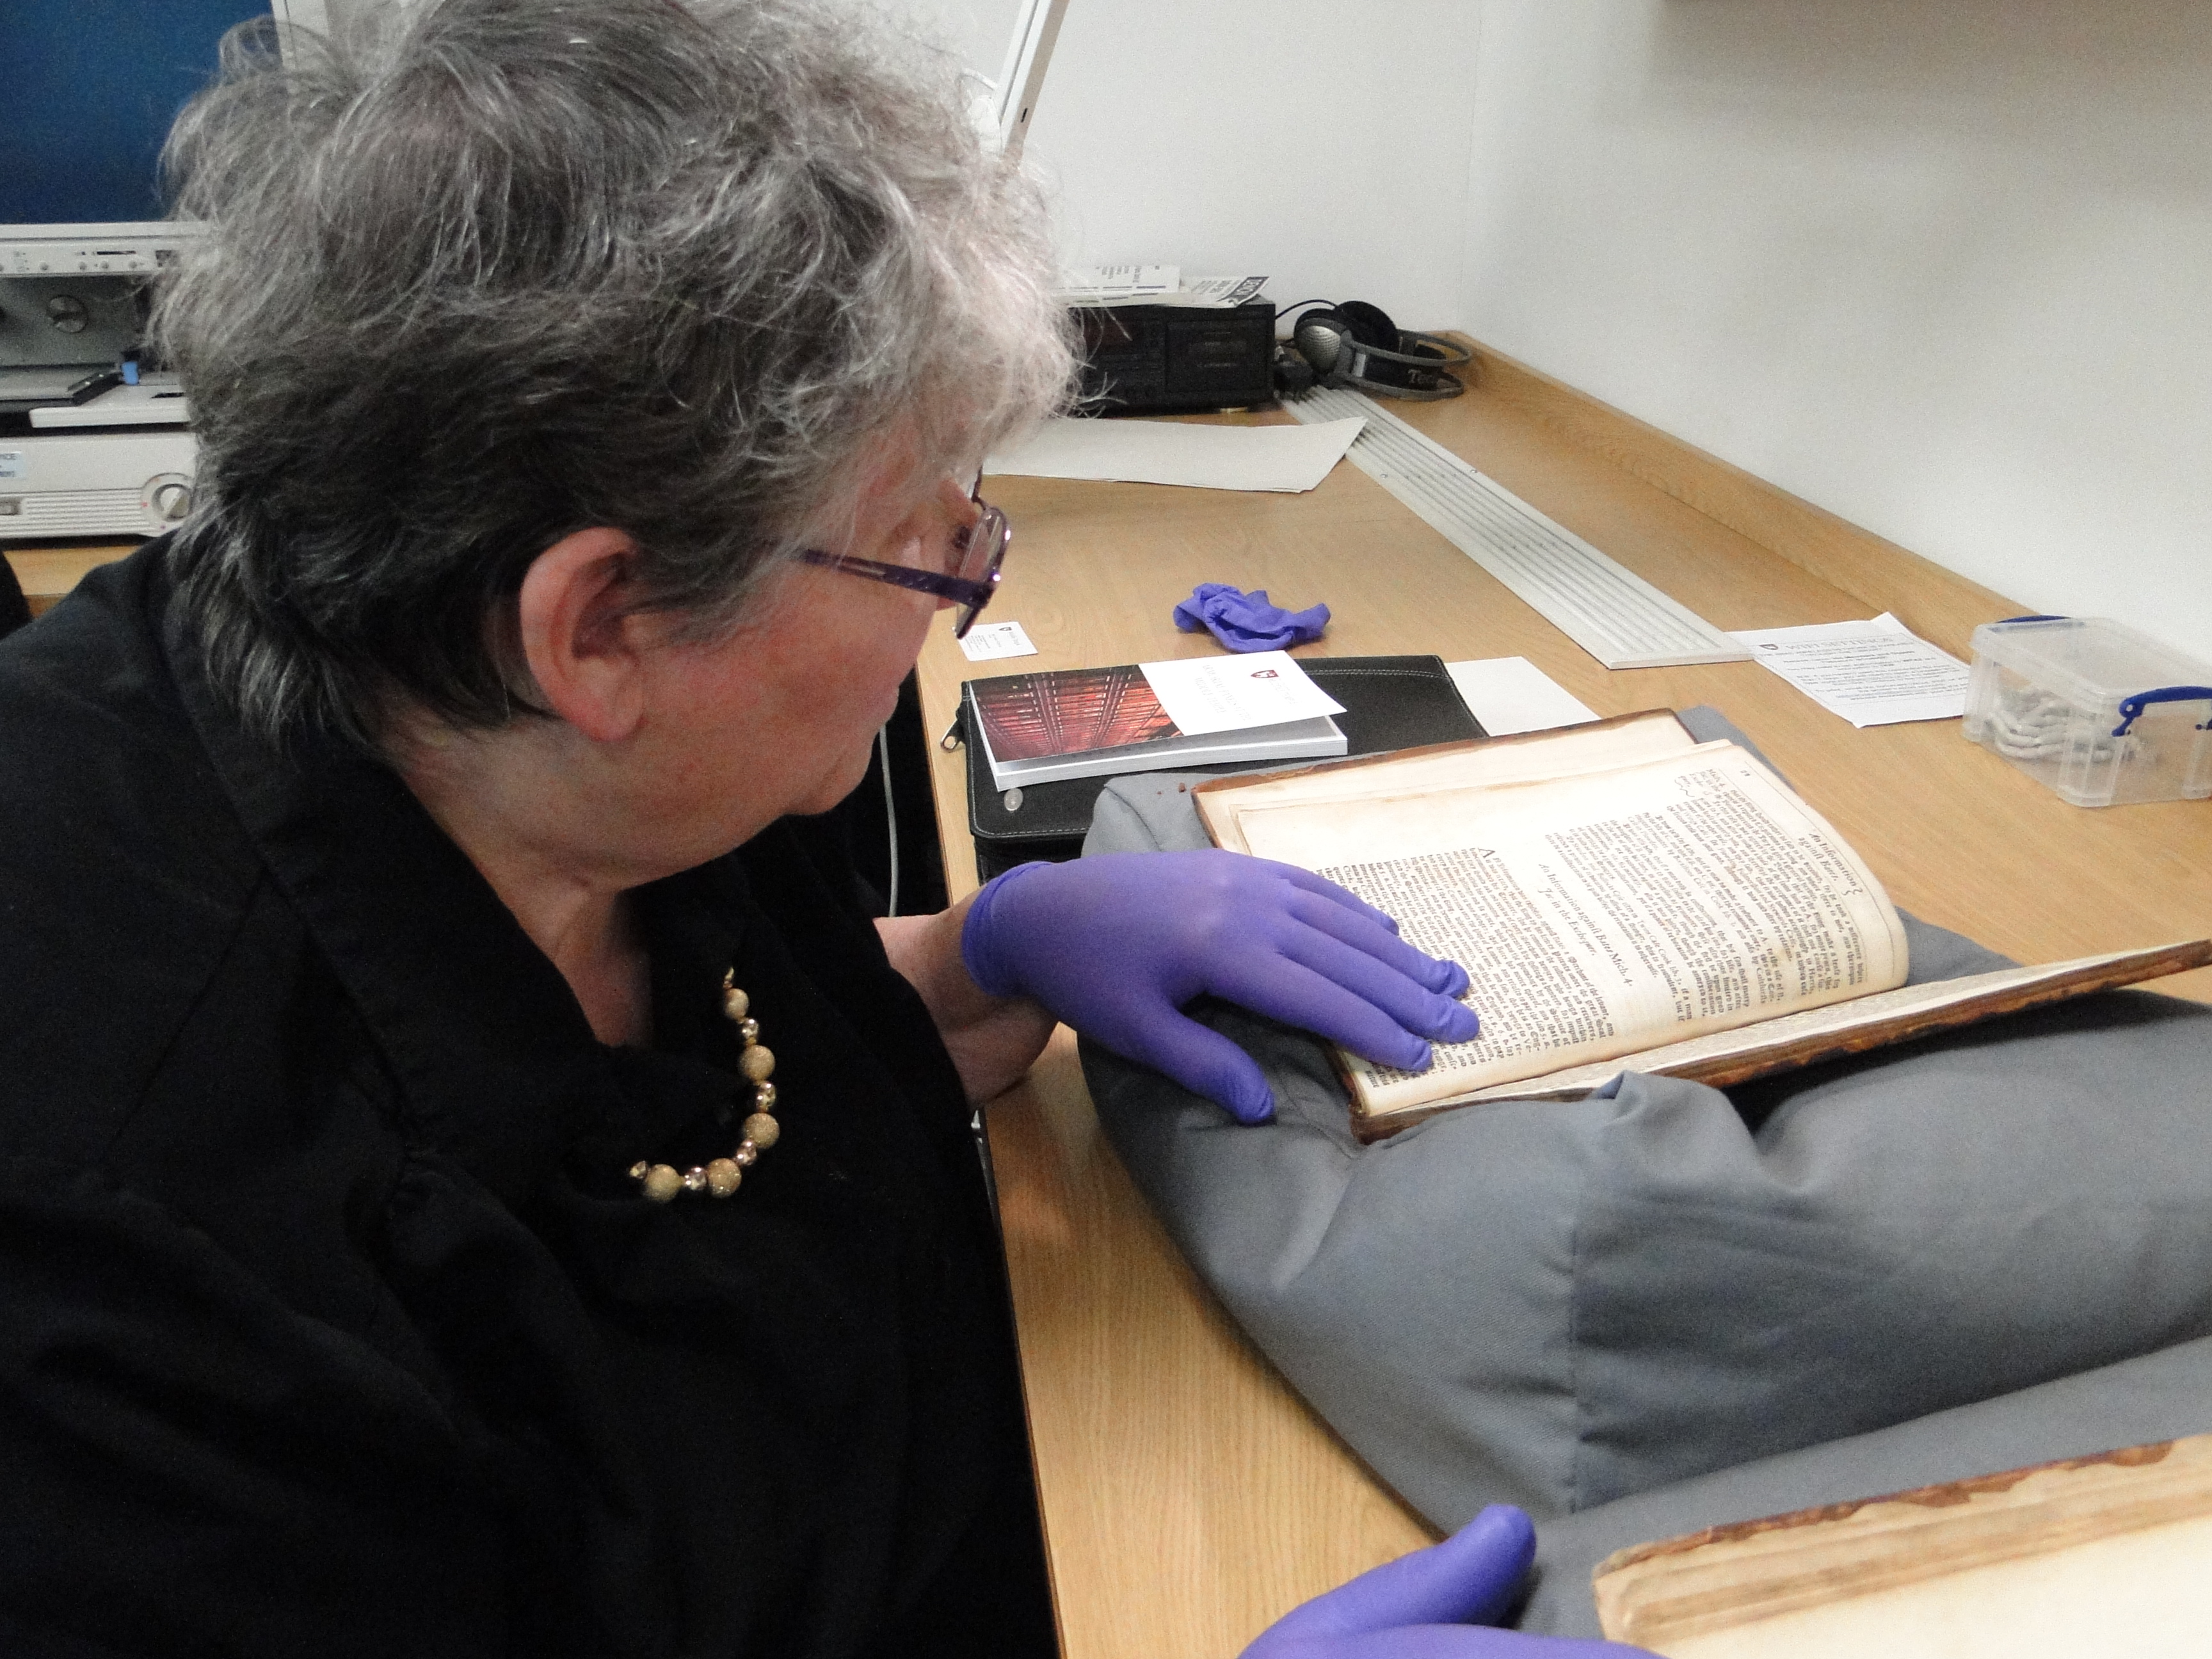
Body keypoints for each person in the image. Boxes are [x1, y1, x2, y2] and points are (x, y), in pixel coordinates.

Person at [0, 2, 1648, 1655]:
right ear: (600, 629)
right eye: (924, 541)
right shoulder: (142, 1292)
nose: (972, 573)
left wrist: (963, 965)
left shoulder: (531, 726)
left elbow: (651, 1049)